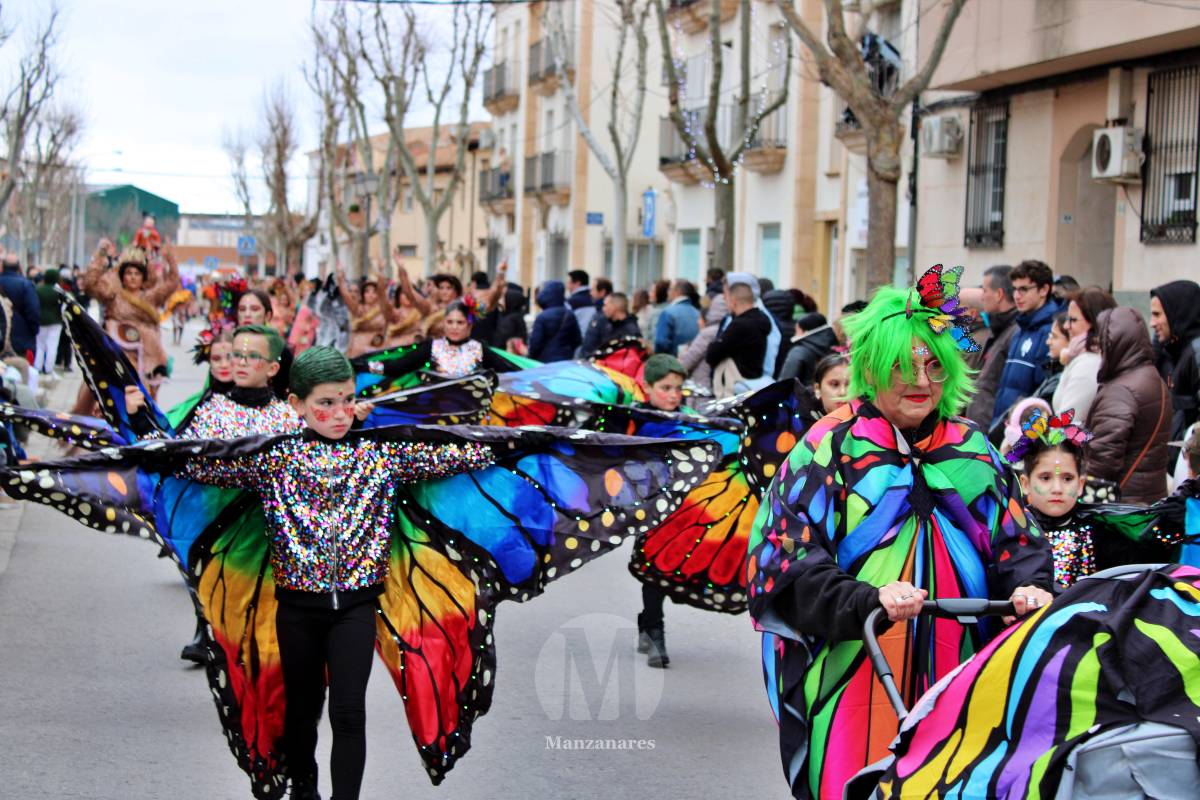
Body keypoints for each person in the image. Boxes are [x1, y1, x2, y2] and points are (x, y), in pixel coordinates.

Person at [747, 274, 1053, 800]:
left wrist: (1029, 589)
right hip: (856, 669)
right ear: (871, 366)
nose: (920, 380)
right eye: (902, 365)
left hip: (964, 670)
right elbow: (786, 561)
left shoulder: (974, 450)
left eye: (934, 365)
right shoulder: (830, 447)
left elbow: (1018, 544)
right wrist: (867, 599)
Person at [175, 347, 494, 800]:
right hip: (297, 611)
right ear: (296, 404)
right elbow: (192, 464)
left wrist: (529, 443)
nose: (339, 413)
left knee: (349, 713)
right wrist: (143, 439)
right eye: (325, 402)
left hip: (356, 608)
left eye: (347, 399)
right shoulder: (273, 459)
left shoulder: (381, 456)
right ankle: (304, 788)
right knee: (303, 712)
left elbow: (466, 454)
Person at [1007, 410, 1174, 589]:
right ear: (1025, 483)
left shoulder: (1101, 531)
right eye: (1045, 478)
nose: (1057, 489)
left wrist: (1173, 519)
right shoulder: (1012, 530)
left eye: (1067, 478)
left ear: (1080, 484)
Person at [633, 354, 688, 668]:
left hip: (679, 508)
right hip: (648, 506)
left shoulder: (690, 420)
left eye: (678, 388)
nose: (672, 394)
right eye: (665, 387)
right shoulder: (636, 421)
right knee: (653, 568)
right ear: (648, 387)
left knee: (665, 569)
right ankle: (655, 630)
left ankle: (646, 621)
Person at [1086, 306, 1171, 505]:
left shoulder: (1121, 390)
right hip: (1150, 498)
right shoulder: (1153, 378)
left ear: (1112, 343)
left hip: (1122, 507)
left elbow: (1102, 460)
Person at [80, 238, 181, 391]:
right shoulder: (113, 294)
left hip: (147, 356)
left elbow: (172, 282)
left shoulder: (151, 296)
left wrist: (170, 258)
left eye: (137, 273)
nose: (133, 277)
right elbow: (89, 285)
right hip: (116, 352)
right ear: (122, 276)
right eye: (128, 273)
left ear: (143, 277)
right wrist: (100, 255)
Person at [366, 298, 518, 380]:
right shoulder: (433, 347)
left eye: (460, 322)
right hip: (437, 418)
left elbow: (512, 374)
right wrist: (364, 367)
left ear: (469, 326)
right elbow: (396, 367)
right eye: (450, 322)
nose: (454, 327)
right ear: (444, 324)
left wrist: (538, 377)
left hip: (472, 420)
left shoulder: (478, 349)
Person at [992, 259, 1059, 427]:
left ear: (1044, 289)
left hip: (1025, 429)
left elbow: (1041, 390)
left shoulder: (1049, 332)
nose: (1017, 296)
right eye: (1014, 289)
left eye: (1024, 289)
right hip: (1005, 423)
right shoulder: (1020, 328)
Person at [1150, 280, 1200, 463]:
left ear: (1176, 313)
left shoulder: (1196, 353)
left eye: (1157, 315)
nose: (1152, 323)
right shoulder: (1178, 352)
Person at [965, 265, 1017, 431]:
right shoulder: (999, 331)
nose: (982, 298)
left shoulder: (1013, 333)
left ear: (999, 294)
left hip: (993, 430)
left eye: (985, 291)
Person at [1053, 286, 1115, 419]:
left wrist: (1032, 436)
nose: (1066, 326)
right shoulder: (1086, 358)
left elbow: (1067, 426)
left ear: (1095, 322)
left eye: (1073, 320)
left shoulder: (1089, 364)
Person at [707, 281, 772, 399]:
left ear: (733, 301)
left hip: (736, 387)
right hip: (753, 382)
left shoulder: (740, 325)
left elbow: (712, 354)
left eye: (726, 299)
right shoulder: (763, 319)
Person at [0, 253, 39, 372]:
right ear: (18, 267)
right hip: (22, 339)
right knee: (22, 373)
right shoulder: (26, 285)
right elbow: (33, 312)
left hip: (3, 340)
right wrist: (33, 331)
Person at [528, 280, 581, 362]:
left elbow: (535, 344)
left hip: (545, 361)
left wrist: (531, 357)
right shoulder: (569, 314)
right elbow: (577, 339)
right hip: (565, 360)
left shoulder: (542, 317)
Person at [777, 312, 837, 384]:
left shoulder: (798, 352)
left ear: (805, 331)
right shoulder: (836, 348)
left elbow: (784, 384)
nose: (795, 334)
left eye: (797, 331)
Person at [580, 292, 642, 358]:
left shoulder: (631, 330)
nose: (603, 309)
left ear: (614, 307)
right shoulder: (611, 324)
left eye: (605, 305)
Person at [653, 279, 700, 357]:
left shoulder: (667, 312)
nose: (667, 292)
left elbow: (660, 343)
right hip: (693, 363)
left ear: (677, 291)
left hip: (671, 363)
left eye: (670, 289)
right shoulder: (698, 313)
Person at [1031, 310, 1068, 404]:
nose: (1048, 342)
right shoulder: (1053, 371)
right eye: (1050, 336)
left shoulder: (1061, 378)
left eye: (1054, 337)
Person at [33, 269, 62, 376]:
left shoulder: (38, 290)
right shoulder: (58, 291)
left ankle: (37, 367)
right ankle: (49, 368)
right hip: (55, 322)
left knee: (40, 345)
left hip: (41, 321)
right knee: (52, 346)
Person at [810, 352, 849, 416]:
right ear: (817, 389)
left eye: (849, 385)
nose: (843, 392)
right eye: (834, 384)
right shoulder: (804, 423)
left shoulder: (867, 420)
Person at [566, 269, 596, 334]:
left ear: (577, 283)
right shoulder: (596, 298)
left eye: (569, 282)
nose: (567, 286)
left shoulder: (571, 301)